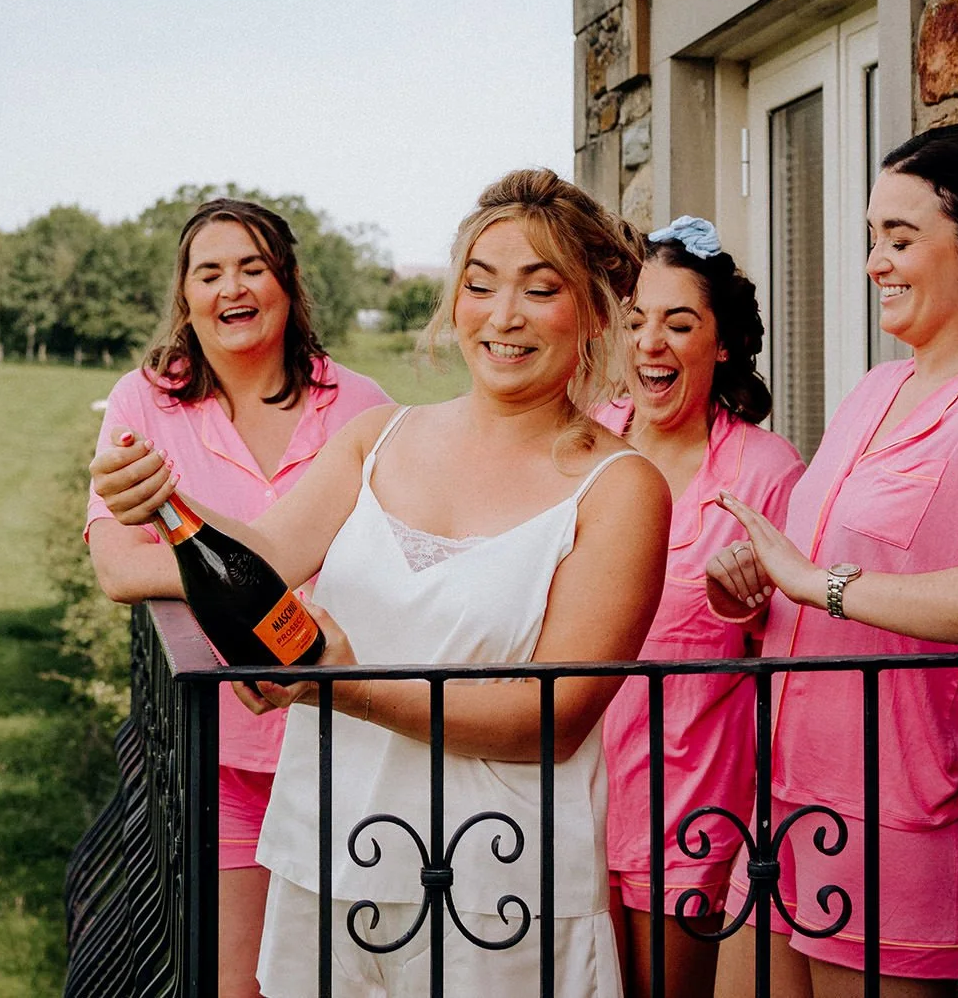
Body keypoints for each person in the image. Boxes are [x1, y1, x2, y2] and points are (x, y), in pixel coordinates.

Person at [93, 169, 671, 998]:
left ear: (591, 311)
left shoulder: (620, 489)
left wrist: (337, 682)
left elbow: (550, 719)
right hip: (327, 854)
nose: (502, 315)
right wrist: (161, 500)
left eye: (539, 289)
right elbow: (260, 554)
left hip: (494, 893)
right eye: (480, 284)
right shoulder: (376, 438)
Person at [705, 123, 958, 996]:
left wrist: (818, 582)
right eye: (873, 237)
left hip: (901, 820)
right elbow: (832, 581)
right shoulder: (874, 389)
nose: (875, 261)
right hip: (785, 802)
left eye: (901, 239)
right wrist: (757, 588)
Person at [84, 197, 392, 998]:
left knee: (346, 974)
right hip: (217, 747)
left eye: (253, 266)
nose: (233, 288)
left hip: (337, 738)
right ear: (184, 295)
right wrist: (261, 570)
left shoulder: (360, 405)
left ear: (288, 282)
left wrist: (208, 553)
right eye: (210, 271)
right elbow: (119, 566)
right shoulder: (144, 402)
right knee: (235, 980)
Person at [592, 217, 804, 998]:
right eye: (636, 320)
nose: (651, 341)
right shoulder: (582, 446)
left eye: (679, 323)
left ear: (720, 345)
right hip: (572, 793)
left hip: (691, 811)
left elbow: (797, 650)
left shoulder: (769, 471)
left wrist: (752, 611)